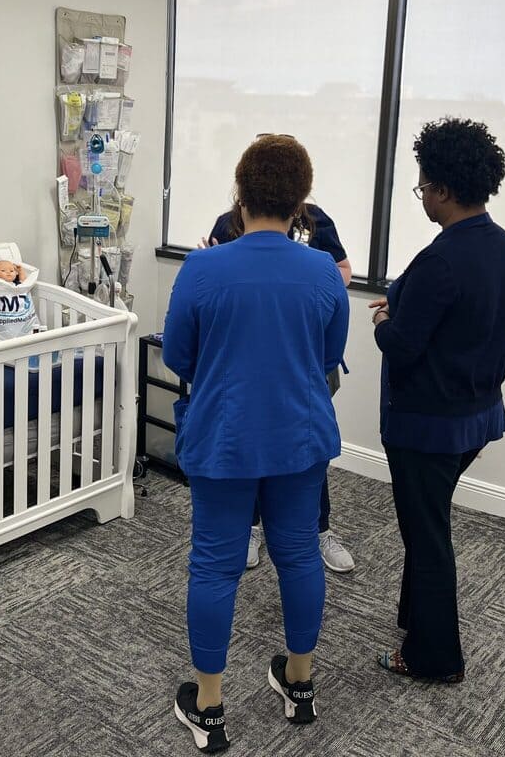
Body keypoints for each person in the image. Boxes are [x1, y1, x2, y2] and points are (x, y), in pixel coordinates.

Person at [164, 135, 349, 752]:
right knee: (297, 554)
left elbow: (179, 354)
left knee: (215, 563)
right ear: (302, 206)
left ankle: (210, 706)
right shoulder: (323, 270)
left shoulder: (203, 268)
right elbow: (328, 357)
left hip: (224, 437)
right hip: (299, 438)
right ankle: (299, 686)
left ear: (238, 197)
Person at [369, 118, 505, 683]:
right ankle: (416, 619)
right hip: (476, 418)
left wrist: (385, 319)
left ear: (447, 190)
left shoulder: (442, 259)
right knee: (426, 522)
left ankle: (436, 658)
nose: (423, 197)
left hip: (427, 425)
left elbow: (404, 347)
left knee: (428, 537)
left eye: (424, 187)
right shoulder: (503, 248)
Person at [200, 145, 355, 574]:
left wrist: (308, 283)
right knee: (246, 447)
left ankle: (318, 530)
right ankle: (251, 527)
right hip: (244, 365)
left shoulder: (315, 220)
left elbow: (342, 271)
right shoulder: (228, 224)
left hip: (302, 359)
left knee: (304, 450)